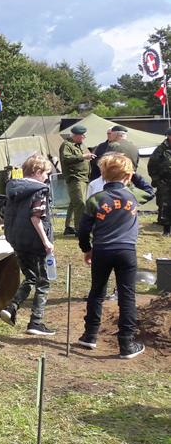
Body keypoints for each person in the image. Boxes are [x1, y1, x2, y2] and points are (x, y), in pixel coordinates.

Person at [76, 153, 144, 359]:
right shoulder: (133, 195)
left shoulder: (95, 199)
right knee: (127, 295)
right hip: (126, 251)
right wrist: (134, 176)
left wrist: (87, 248)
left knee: (97, 292)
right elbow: (150, 190)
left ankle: (90, 336)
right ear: (128, 175)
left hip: (102, 250)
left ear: (103, 174)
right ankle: (126, 343)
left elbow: (83, 229)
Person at [0, 154, 55, 336]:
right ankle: (36, 322)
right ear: (37, 172)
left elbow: (4, 214)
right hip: (35, 243)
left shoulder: (13, 189)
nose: (47, 177)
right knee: (43, 281)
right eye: (46, 173)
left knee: (31, 277)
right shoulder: (40, 190)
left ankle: (12, 307)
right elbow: (35, 217)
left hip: (17, 241)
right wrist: (46, 241)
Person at [59, 125, 94, 236]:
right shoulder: (67, 145)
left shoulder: (81, 145)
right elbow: (66, 159)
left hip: (83, 178)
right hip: (75, 178)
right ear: (76, 135)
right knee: (80, 203)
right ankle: (80, 229)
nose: (84, 137)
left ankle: (69, 227)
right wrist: (83, 157)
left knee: (74, 203)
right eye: (83, 135)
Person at [149, 126, 171, 236]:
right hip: (165, 182)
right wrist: (157, 180)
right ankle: (167, 229)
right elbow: (152, 165)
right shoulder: (161, 149)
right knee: (166, 205)